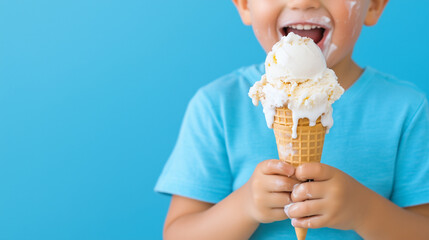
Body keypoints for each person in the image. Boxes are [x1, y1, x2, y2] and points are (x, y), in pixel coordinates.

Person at [155, 0, 429, 239]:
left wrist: (364, 211)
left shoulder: (407, 110)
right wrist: (244, 206)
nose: (303, 1)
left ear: (374, 5)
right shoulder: (217, 106)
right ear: (244, 4)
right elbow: (179, 234)